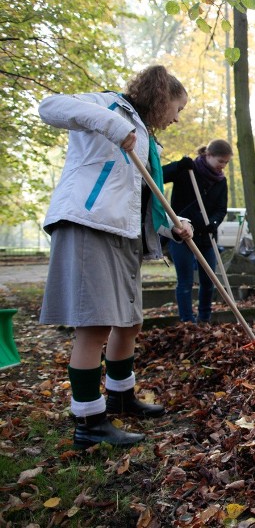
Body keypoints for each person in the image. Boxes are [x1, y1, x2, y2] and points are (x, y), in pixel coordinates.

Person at [38, 65, 193, 449]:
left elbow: (137, 202)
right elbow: (49, 106)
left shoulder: (146, 140)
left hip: (124, 236)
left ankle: (121, 396)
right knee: (95, 325)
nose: (177, 118)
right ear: (162, 97)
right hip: (90, 224)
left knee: (129, 322)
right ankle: (88, 421)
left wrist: (172, 225)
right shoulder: (108, 107)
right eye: (177, 108)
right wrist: (111, 124)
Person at [162, 140, 233, 323]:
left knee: (208, 281)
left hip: (206, 237)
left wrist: (214, 222)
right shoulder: (188, 171)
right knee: (185, 281)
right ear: (208, 155)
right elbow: (158, 176)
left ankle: (204, 318)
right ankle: (187, 321)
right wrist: (177, 166)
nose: (223, 166)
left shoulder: (220, 180)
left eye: (226, 162)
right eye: (220, 161)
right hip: (182, 234)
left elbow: (221, 208)